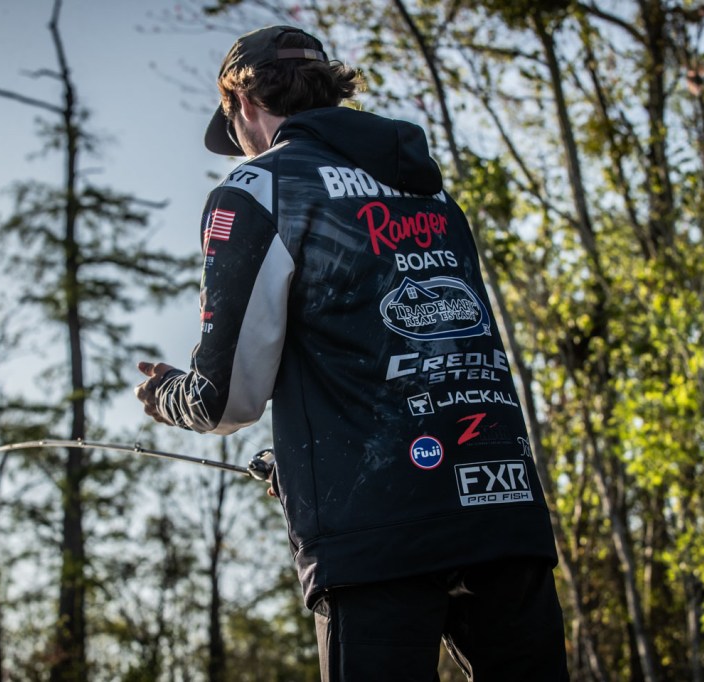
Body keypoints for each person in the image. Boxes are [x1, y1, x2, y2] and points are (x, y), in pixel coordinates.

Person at [134, 25, 569, 681]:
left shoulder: (259, 187)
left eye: (234, 128)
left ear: (242, 103)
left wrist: (169, 395)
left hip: (375, 530)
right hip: (501, 506)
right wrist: (301, 458)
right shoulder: (429, 189)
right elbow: (413, 346)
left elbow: (226, 399)